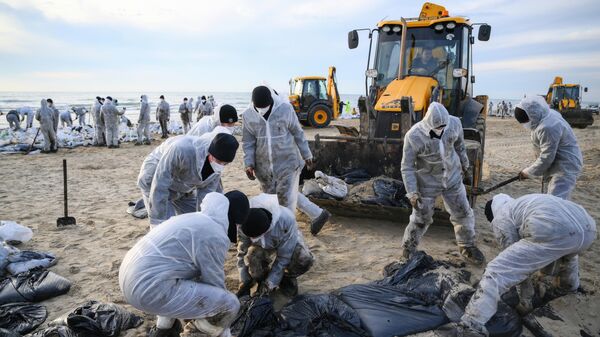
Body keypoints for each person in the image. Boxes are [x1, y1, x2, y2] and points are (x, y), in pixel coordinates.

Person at [459, 193, 597, 336]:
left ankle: (472, 322)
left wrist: (525, 299)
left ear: (492, 215)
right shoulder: (522, 203)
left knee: (496, 271)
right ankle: (568, 288)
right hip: (587, 228)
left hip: (554, 228)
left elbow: (516, 269)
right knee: (566, 256)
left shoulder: (501, 217)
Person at [120, 191, 249, 337]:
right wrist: (225, 330)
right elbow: (214, 284)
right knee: (229, 304)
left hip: (130, 278)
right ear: (233, 218)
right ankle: (192, 334)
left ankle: (163, 330)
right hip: (148, 289)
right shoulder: (214, 234)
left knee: (179, 279)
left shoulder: (193, 219)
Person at [400, 102, 484, 265]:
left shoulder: (455, 123)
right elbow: (407, 167)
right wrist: (412, 193)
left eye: (443, 127)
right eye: (437, 128)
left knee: (463, 213)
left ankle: (467, 246)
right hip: (427, 183)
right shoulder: (413, 136)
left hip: (453, 179)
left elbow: (460, 146)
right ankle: (408, 250)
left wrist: (465, 165)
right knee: (420, 218)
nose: (441, 130)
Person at [242, 85, 331, 235]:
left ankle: (287, 234)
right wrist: (248, 164)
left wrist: (307, 155)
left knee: (285, 200)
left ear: (271, 101)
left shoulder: (285, 109)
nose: (262, 110)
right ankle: (317, 213)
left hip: (288, 162)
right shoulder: (248, 115)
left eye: (265, 107)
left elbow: (298, 132)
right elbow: (248, 142)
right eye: (259, 108)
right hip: (263, 167)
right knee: (274, 198)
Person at [138, 132, 239, 228]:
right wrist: (158, 221)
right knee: (166, 226)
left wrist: (204, 221)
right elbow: (160, 183)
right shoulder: (182, 149)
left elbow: (206, 196)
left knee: (193, 223)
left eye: (225, 163)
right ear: (210, 153)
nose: (220, 165)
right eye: (218, 161)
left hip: (184, 187)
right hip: (154, 178)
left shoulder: (216, 169)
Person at [236, 193, 314, 298]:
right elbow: (242, 253)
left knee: (303, 258)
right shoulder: (243, 222)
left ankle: (286, 280)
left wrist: (270, 283)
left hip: (285, 238)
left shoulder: (286, 220)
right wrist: (244, 281)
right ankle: (261, 281)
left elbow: (284, 257)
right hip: (260, 245)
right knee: (252, 258)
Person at [514, 96, 583, 200]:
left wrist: (527, 172)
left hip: (565, 167)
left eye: (526, 121)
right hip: (556, 164)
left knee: (556, 201)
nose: (526, 125)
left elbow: (546, 157)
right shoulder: (546, 115)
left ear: (532, 115)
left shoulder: (548, 127)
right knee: (549, 198)